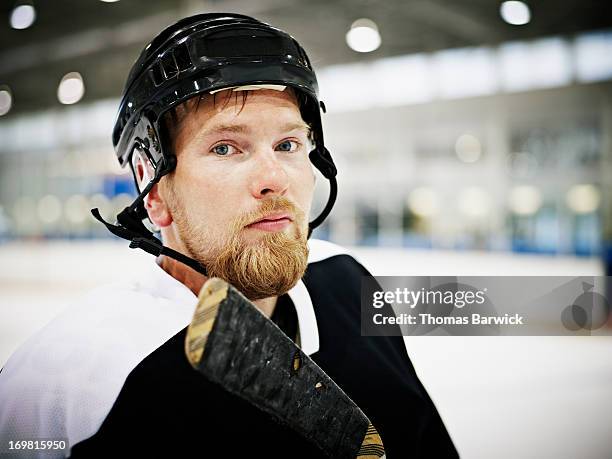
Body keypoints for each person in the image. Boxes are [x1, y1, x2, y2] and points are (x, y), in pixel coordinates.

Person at [0, 13, 458, 458]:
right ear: (152, 186)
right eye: (225, 147)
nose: (274, 178)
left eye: (288, 145)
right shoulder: (69, 380)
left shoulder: (345, 282)